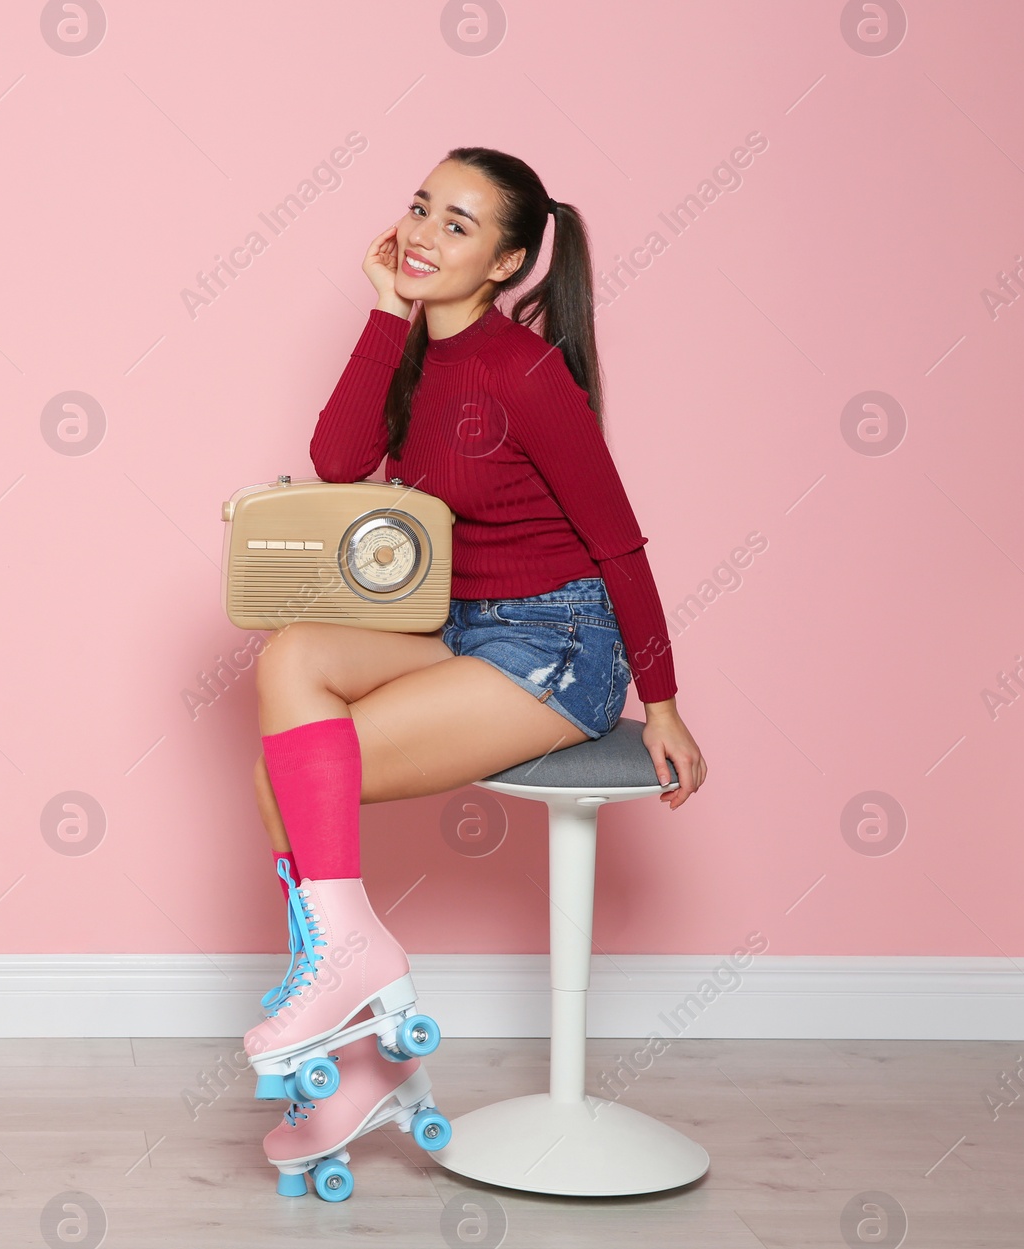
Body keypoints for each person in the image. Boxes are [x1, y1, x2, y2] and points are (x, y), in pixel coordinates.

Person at [243, 148, 708, 1174]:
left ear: (504, 263)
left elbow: (619, 541)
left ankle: (358, 1034)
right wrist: (383, 311)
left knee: (294, 775)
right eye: (418, 208)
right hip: (463, 626)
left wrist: (663, 701)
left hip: (558, 646)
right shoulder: (417, 350)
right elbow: (335, 460)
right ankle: (364, 1043)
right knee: (291, 663)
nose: (420, 234)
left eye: (456, 225)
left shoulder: (525, 372)